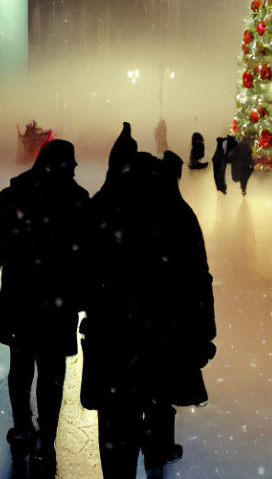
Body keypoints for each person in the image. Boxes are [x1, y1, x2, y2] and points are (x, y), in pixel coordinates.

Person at [81, 126, 216, 479]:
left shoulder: (104, 210)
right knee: (158, 399)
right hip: (164, 335)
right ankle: (157, 455)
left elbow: (80, 269)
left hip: (112, 338)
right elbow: (198, 279)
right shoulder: (176, 212)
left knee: (115, 424)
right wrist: (204, 334)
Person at [0, 139, 89, 476]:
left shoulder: (13, 198)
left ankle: (23, 429)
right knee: (51, 373)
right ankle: (46, 440)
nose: (75, 169)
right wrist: (87, 301)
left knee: (20, 367)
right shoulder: (77, 202)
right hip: (57, 305)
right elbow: (89, 260)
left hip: (20, 301)